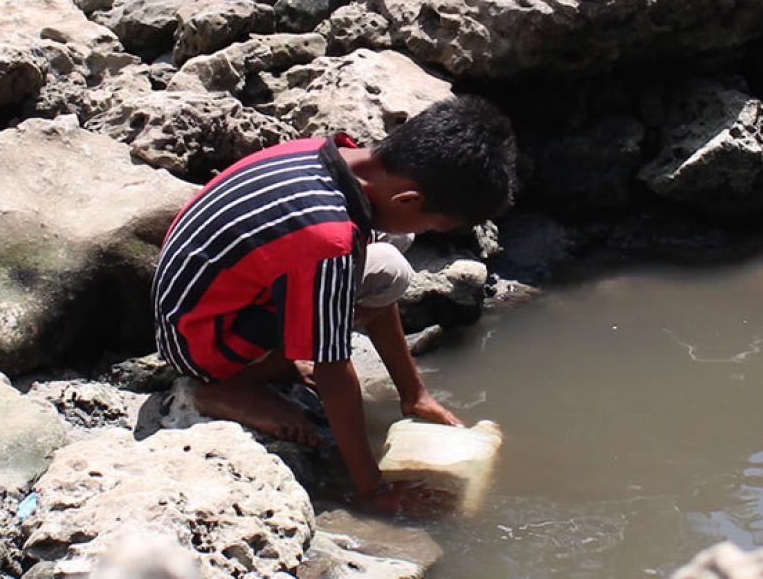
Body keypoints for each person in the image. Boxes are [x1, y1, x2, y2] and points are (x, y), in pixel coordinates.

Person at [150, 96, 517, 515]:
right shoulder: (328, 239)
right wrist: (373, 488)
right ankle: (225, 386)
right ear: (408, 200)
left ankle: (272, 364)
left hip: (203, 297)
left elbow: (366, 279)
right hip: (199, 341)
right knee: (353, 290)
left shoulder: (329, 155)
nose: (429, 232)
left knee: (390, 264)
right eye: (433, 224)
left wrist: (415, 394)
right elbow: (333, 371)